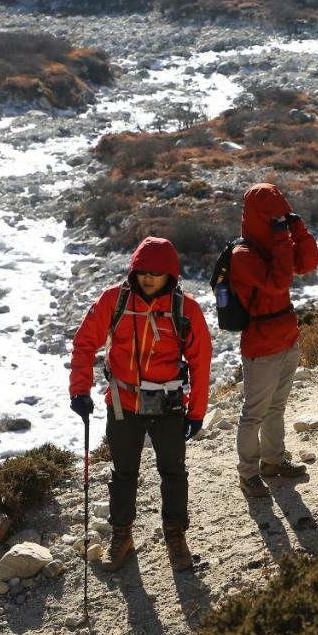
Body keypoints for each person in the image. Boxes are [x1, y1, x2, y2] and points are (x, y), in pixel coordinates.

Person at [69, 236, 212, 572]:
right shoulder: (114, 300)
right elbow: (84, 342)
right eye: (143, 271)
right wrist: (80, 390)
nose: (148, 277)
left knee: (173, 472)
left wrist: (197, 411)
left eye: (156, 272)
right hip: (124, 400)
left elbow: (200, 360)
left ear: (170, 275)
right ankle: (122, 535)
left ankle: (176, 537)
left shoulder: (185, 308)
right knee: (123, 473)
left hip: (168, 402)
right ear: (134, 269)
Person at [232, 183, 318, 499]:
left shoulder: (275, 245)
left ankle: (273, 461)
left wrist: (296, 227)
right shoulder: (242, 254)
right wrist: (282, 237)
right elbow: (278, 280)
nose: (279, 220)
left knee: (277, 407)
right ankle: (248, 474)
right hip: (260, 346)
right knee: (253, 412)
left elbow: (308, 263)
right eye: (275, 215)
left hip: (287, 339)